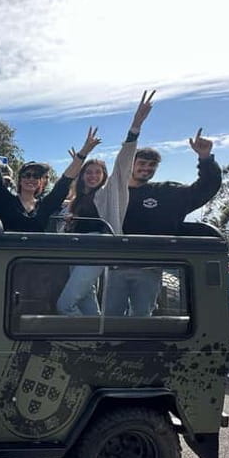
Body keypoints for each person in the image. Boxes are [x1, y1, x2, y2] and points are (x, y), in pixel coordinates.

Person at [56, 91, 156, 315]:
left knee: (64, 305)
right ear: (82, 176)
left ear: (104, 175)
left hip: (97, 248)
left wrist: (135, 126)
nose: (92, 176)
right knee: (85, 301)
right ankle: (94, 335)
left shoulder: (108, 192)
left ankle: (87, 344)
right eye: (87, 172)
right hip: (75, 249)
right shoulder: (76, 200)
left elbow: (123, 163)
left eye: (97, 172)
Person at [104, 128, 222, 316]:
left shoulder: (166, 193)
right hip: (114, 267)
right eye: (142, 163)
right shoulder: (113, 195)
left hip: (150, 268)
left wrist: (206, 158)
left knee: (142, 316)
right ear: (130, 164)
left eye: (152, 165)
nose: (146, 168)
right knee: (110, 316)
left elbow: (205, 189)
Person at [0, 120, 100, 232]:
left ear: (41, 182)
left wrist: (84, 151)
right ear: (20, 180)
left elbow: (65, 180)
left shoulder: (45, 205)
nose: (31, 179)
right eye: (27, 175)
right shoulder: (7, 200)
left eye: (36, 176)